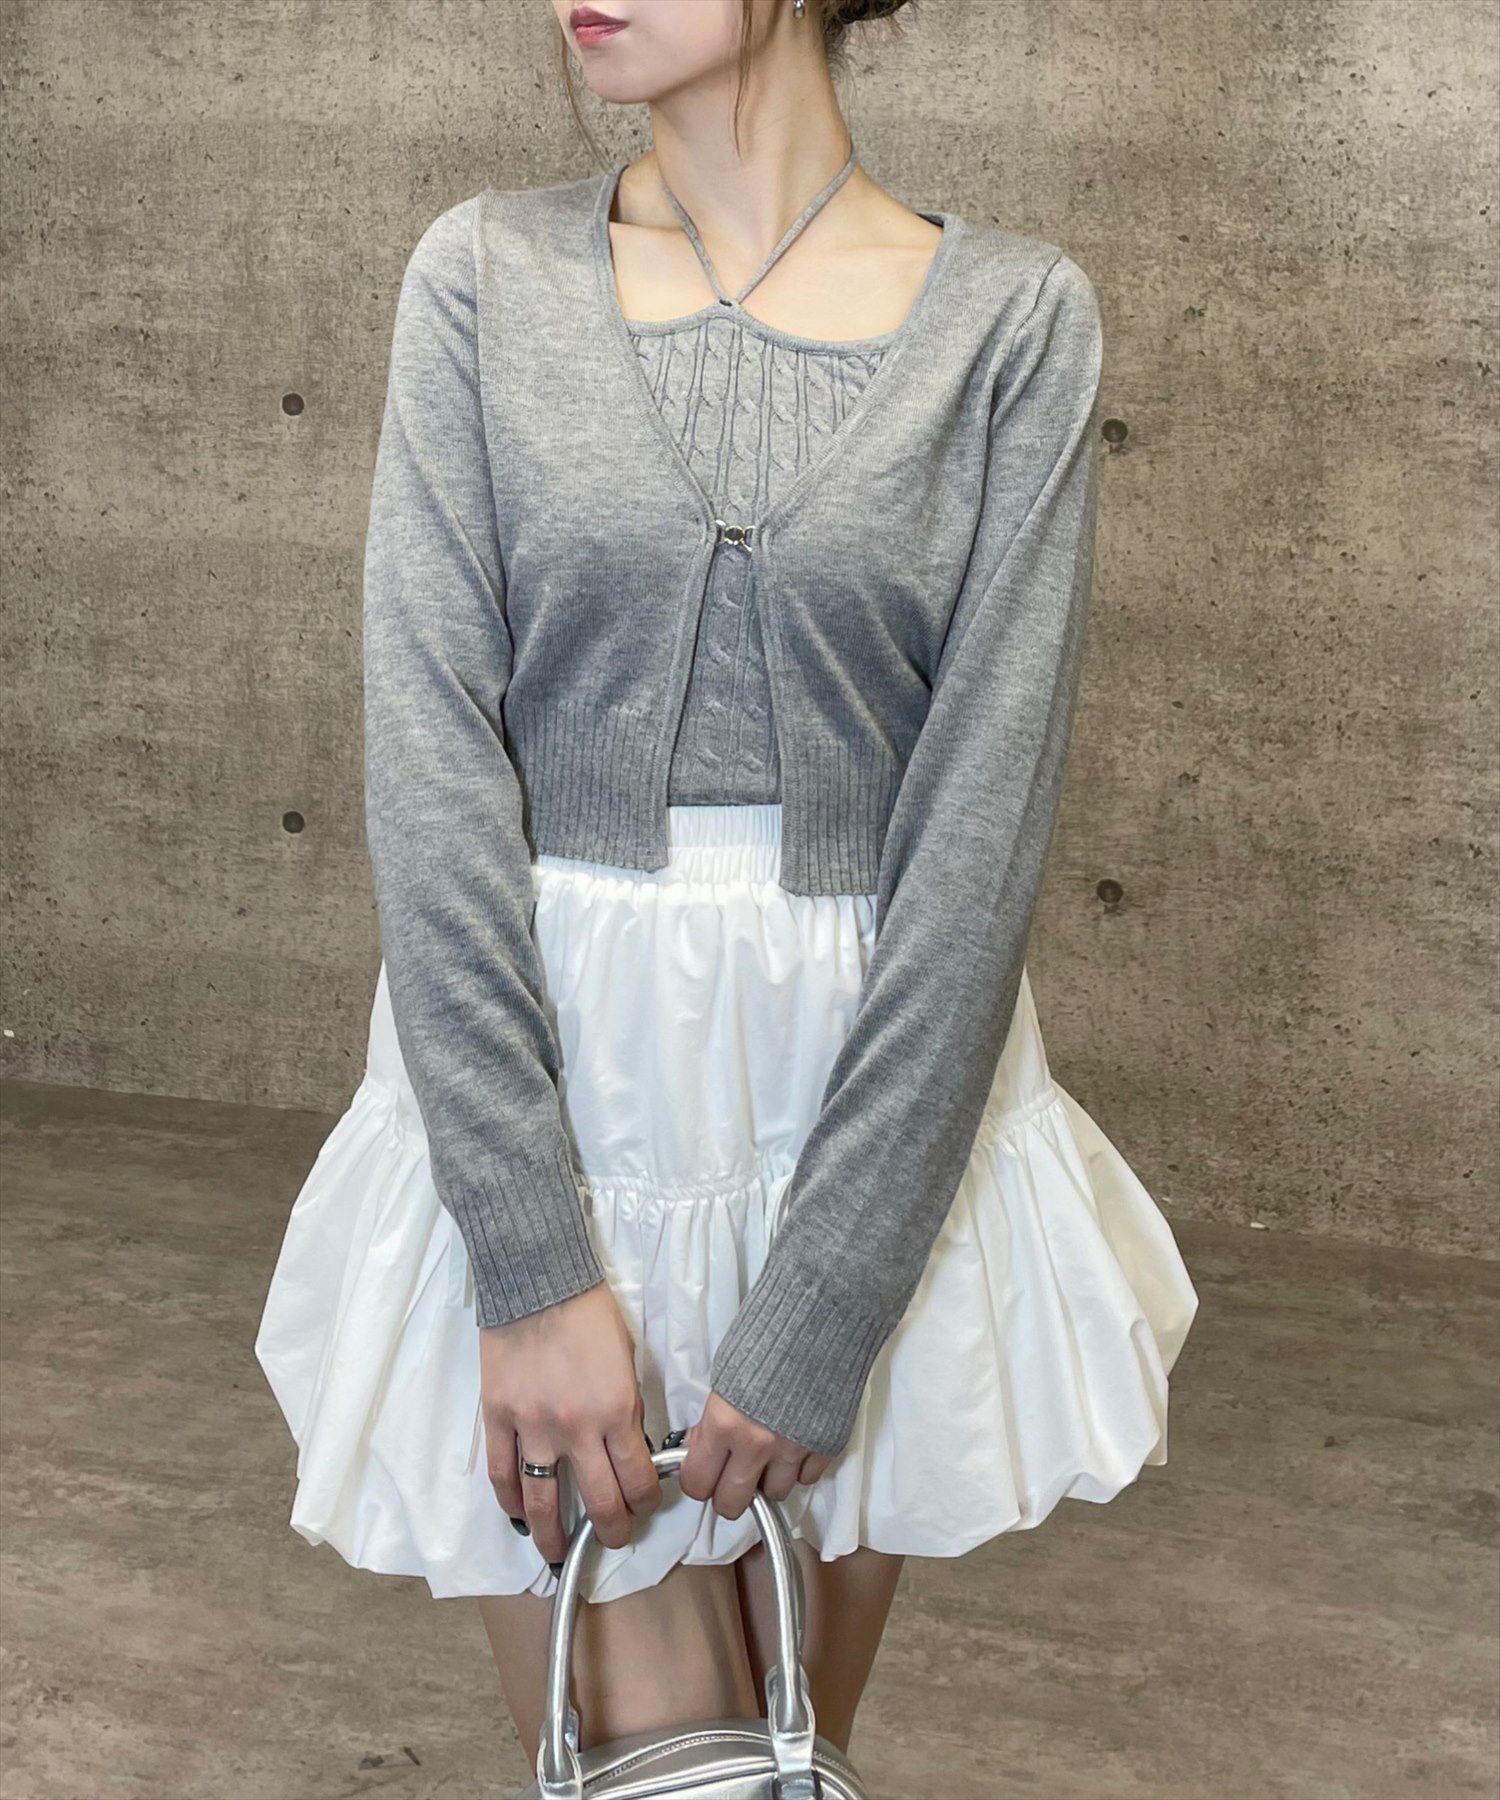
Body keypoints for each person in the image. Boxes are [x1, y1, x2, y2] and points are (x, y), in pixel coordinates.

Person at [255, 0, 1200, 1767]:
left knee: (788, 1758)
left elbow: (978, 841)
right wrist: (529, 1266)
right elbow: (433, 767)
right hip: (561, 1099)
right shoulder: (484, 280)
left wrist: (831, 1304)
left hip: (860, 1120)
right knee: (658, 1769)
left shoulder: (1013, 322)